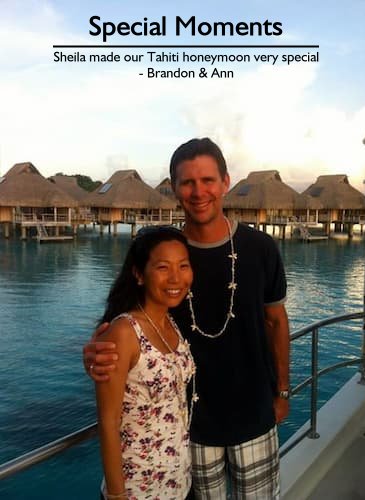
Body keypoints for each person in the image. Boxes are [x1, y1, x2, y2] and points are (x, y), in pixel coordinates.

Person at [84, 138, 290, 499]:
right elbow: (127, 323)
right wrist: (96, 354)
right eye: (187, 182)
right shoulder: (165, 256)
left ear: (225, 182)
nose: (199, 192)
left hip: (255, 415)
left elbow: (276, 321)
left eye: (208, 180)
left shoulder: (260, 249)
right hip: (191, 429)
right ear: (174, 188)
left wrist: (283, 391)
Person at [95, 226, 197, 500]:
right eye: (163, 267)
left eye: (183, 266)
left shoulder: (171, 323)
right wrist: (117, 495)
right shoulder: (124, 333)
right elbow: (108, 420)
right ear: (139, 274)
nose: (176, 277)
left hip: (179, 482)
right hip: (138, 490)